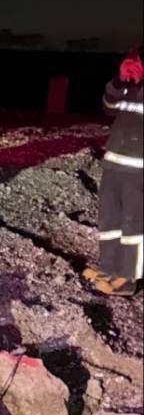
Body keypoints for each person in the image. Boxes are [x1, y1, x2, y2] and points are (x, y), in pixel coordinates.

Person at [85, 48, 143, 297]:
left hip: (139, 167)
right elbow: (108, 106)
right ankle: (108, 268)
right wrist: (120, 79)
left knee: (134, 223)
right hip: (114, 161)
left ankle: (128, 279)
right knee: (109, 219)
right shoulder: (132, 85)